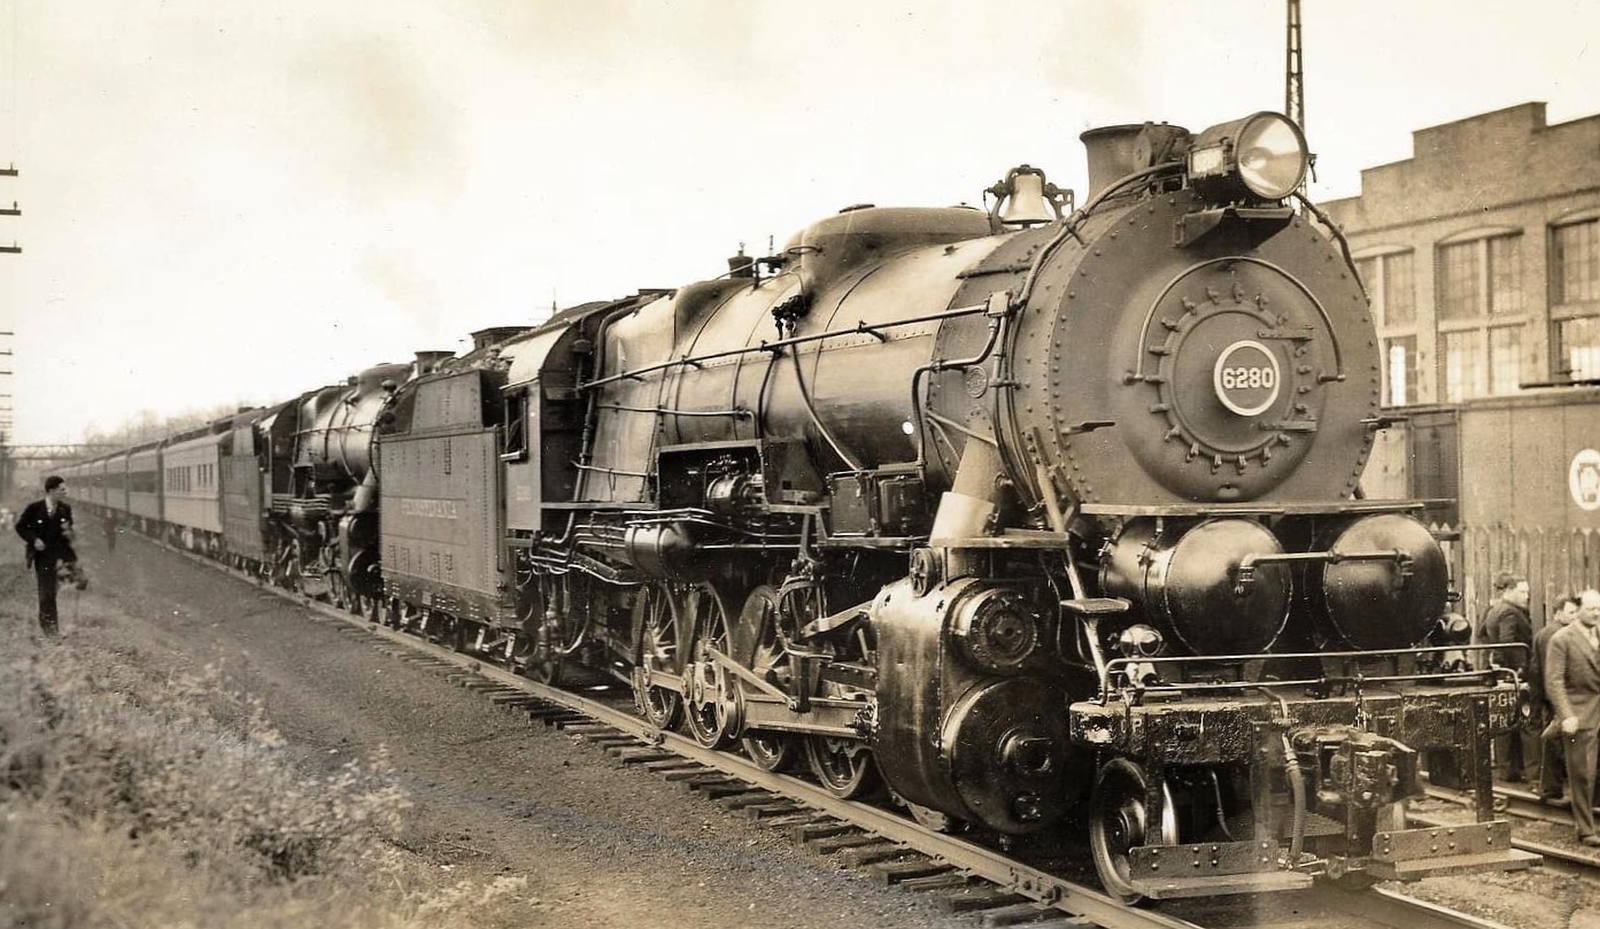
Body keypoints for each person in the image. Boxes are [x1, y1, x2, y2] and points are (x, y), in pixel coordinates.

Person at [1545, 589, 1600, 845]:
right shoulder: (1562, 639)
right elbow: (1554, 681)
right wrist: (1566, 714)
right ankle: (1585, 829)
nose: (1597, 613)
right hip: (1579, 714)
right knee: (1582, 774)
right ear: (1578, 610)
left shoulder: (1598, 635)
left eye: (1599, 609)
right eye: (1592, 609)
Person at [13, 475, 84, 637]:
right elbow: (21, 527)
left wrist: (75, 565)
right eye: (62, 489)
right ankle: (50, 631)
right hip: (42, 557)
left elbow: (67, 537)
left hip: (61, 556)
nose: (65, 492)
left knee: (75, 583)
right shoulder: (34, 508)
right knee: (47, 593)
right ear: (51, 490)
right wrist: (34, 539)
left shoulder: (65, 509)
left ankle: (57, 628)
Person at [1480, 572, 1533, 781]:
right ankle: (1513, 770)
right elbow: (1507, 641)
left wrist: (1493, 661)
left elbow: (1483, 635)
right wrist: (1518, 668)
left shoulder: (1493, 610)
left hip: (1501, 671)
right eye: (1522, 592)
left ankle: (1507, 768)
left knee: (1505, 719)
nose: (1526, 596)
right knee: (1519, 718)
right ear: (1510, 591)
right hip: (1514, 674)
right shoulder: (1510, 612)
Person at [1531, 595, 1581, 800]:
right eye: (1572, 613)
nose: (1575, 616)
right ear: (1558, 613)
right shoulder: (1561, 635)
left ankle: (1552, 787)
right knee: (1555, 738)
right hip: (1567, 697)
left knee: (1554, 738)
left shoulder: (1547, 633)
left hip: (1563, 696)